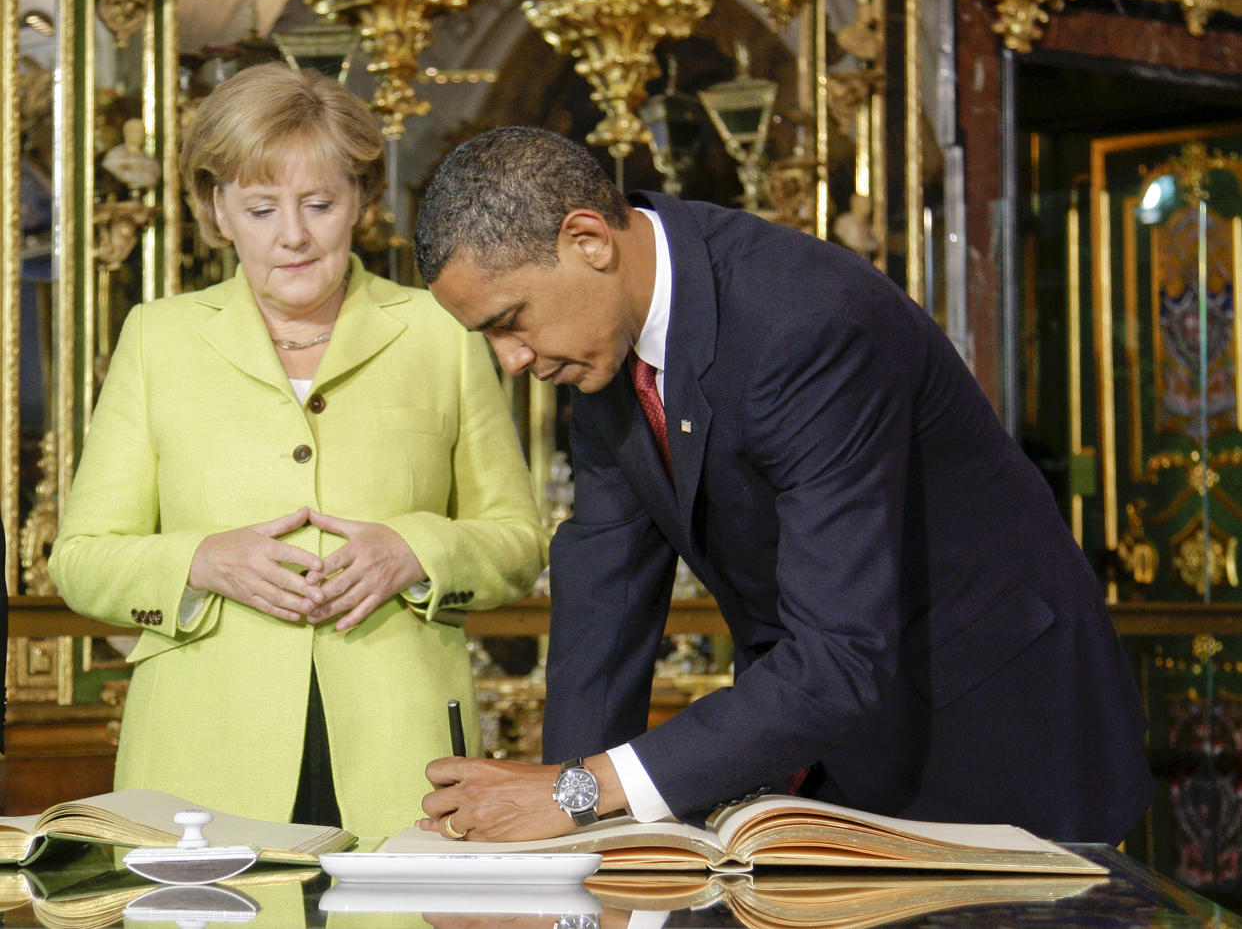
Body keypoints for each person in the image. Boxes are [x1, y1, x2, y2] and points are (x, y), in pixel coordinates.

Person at [411, 126, 1153, 846]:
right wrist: (558, 825)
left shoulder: (803, 321)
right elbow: (606, 594)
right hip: (837, 748)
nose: (510, 360)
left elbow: (836, 657)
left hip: (998, 733)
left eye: (510, 321)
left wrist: (577, 793)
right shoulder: (594, 341)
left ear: (589, 241)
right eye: (489, 337)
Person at [48, 68, 548, 837]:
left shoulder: (439, 332)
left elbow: (516, 540)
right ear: (217, 210)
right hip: (198, 762)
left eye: (320, 204)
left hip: (401, 756)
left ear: (362, 201)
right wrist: (202, 561)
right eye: (260, 208)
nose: (293, 235)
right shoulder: (158, 336)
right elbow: (80, 557)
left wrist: (414, 549)